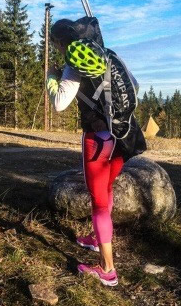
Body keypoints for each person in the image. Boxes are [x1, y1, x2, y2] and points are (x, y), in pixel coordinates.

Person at [46, 18, 122, 287]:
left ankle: (107, 269)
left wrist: (52, 79)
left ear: (60, 42)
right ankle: (95, 238)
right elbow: (132, 86)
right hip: (122, 135)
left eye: (55, 43)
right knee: (108, 190)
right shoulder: (108, 54)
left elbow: (59, 103)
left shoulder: (74, 63)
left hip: (97, 138)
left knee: (99, 203)